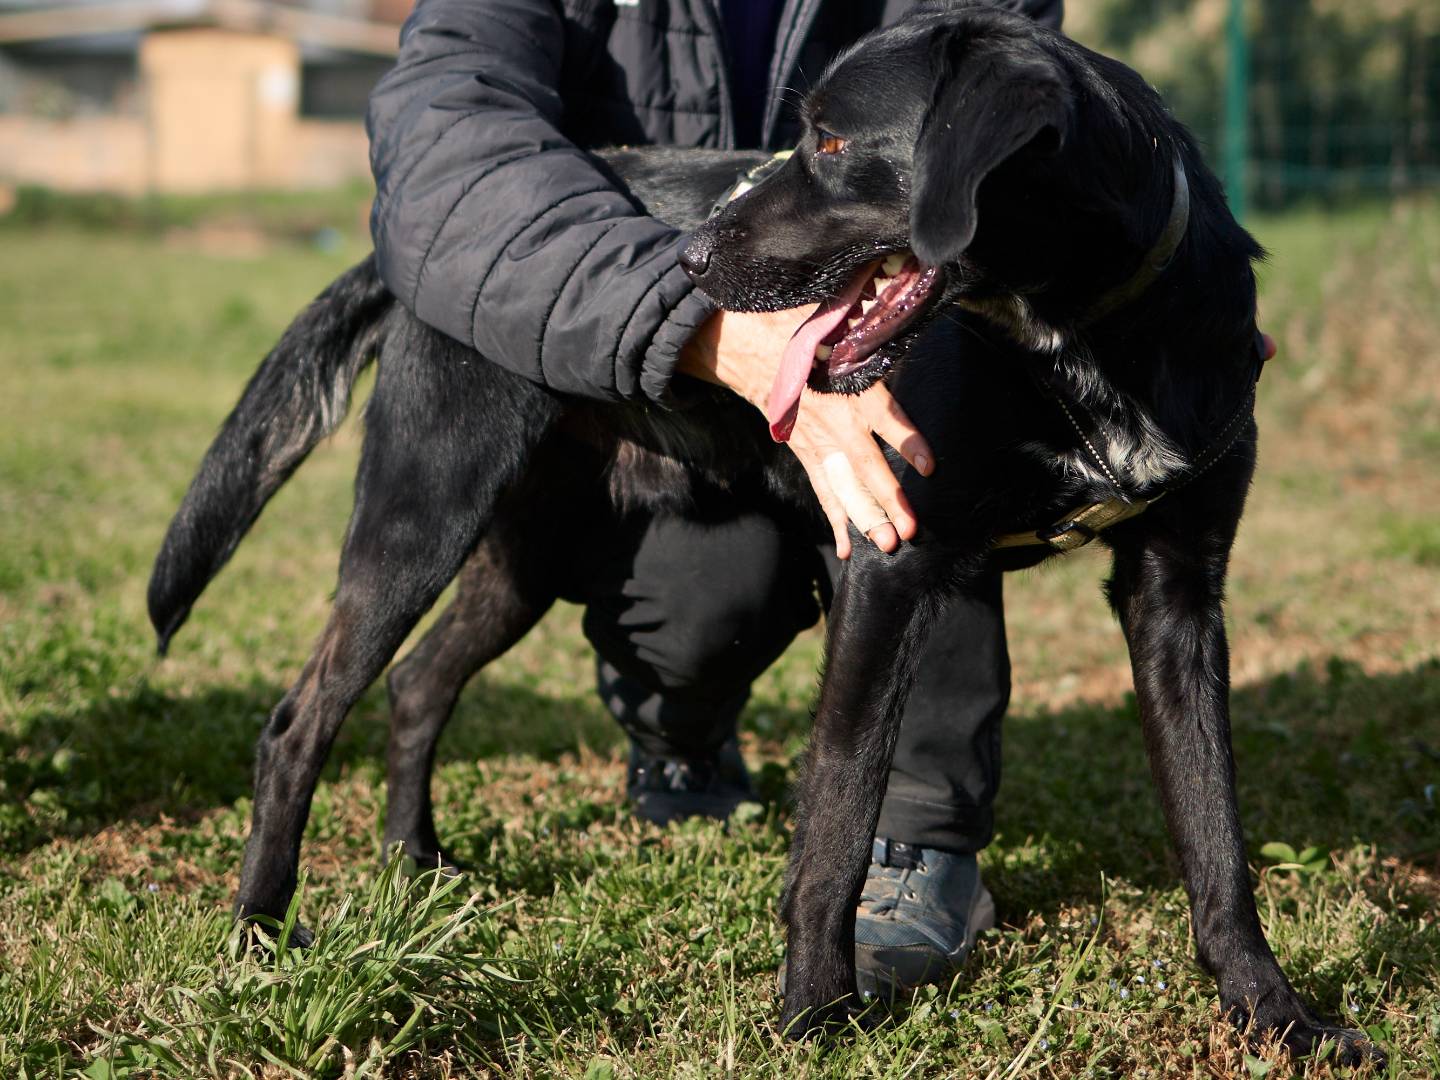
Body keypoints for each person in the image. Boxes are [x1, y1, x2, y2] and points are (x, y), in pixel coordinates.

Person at [367, 0, 1063, 998]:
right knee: (694, 620)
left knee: (927, 458)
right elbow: (449, 152)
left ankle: (920, 832)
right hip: (660, 348)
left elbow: (1028, 110)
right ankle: (681, 730)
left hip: (887, 305)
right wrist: (692, 325)